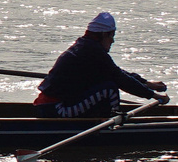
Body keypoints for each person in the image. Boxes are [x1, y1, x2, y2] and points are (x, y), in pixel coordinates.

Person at [33, 12, 169, 118]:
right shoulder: (92, 52)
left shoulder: (85, 46)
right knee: (110, 88)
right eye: (112, 36)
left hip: (47, 106)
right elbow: (120, 79)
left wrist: (147, 84)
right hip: (56, 110)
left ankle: (100, 118)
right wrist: (154, 96)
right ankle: (112, 124)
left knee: (108, 81)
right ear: (103, 34)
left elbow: (117, 72)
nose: (113, 41)